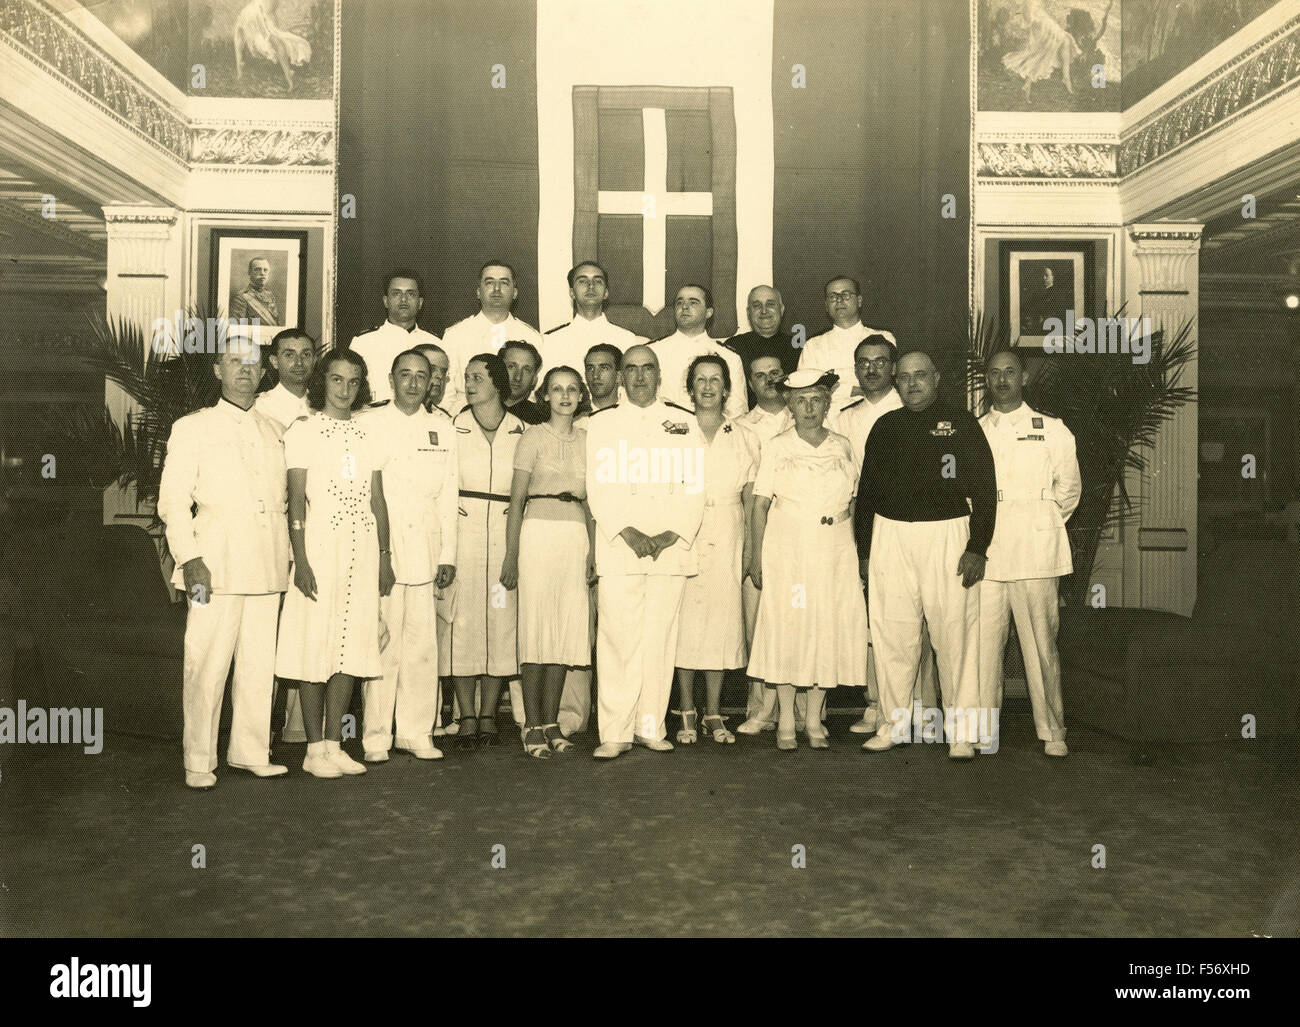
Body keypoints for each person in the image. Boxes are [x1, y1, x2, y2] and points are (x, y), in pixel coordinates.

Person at [158, 335, 290, 788]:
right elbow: (173, 503)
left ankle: (250, 751)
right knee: (206, 661)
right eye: (234, 362)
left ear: (262, 371)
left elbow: (284, 503)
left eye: (252, 363)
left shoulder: (275, 429)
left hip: (268, 564)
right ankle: (198, 759)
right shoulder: (193, 427)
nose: (244, 370)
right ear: (218, 370)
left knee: (259, 664)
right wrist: (190, 559)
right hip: (212, 562)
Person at [854, 351, 997, 759]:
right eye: (903, 377)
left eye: (920, 375)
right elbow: (866, 494)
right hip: (891, 536)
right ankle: (892, 724)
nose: (911, 383)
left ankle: (962, 733)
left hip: (947, 535)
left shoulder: (963, 424)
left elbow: (986, 489)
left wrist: (977, 547)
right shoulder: (885, 426)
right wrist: (865, 552)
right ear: (895, 383)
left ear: (936, 378)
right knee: (892, 633)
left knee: (955, 635)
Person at [275, 348, 395, 778]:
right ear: (322, 382)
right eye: (337, 380)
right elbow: (296, 503)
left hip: (361, 547)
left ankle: (334, 744)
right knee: (316, 644)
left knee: (351, 643)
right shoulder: (304, 430)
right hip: (320, 545)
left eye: (354, 381)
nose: (345, 389)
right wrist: (301, 559)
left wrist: (384, 556)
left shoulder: (369, 434)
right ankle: (312, 749)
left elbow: (377, 501)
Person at [585, 345, 707, 760]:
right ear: (620, 376)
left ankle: (650, 725)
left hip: (669, 548)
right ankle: (615, 731)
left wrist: (671, 533)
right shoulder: (601, 424)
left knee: (660, 638)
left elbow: (694, 483)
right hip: (621, 546)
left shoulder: (684, 422)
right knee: (618, 638)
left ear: (659, 375)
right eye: (631, 369)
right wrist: (629, 533)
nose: (639, 377)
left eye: (647, 369)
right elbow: (598, 486)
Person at [748, 369, 868, 750]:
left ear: (827, 403)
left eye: (817, 399)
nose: (809, 407)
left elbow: (854, 501)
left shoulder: (844, 445)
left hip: (834, 550)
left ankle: (814, 719)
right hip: (790, 551)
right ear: (790, 405)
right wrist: (756, 556)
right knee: (791, 626)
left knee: (825, 628)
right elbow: (759, 504)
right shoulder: (777, 446)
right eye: (801, 400)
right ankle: (786, 718)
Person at [829, 335, 939, 737]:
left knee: (920, 617)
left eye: (879, 362)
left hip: (909, 519)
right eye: (863, 362)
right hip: (862, 515)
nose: (871, 369)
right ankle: (877, 704)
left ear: (893, 368)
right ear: (855, 369)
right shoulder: (844, 416)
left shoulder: (909, 407)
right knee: (877, 616)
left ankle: (925, 707)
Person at [358, 349, 459, 763]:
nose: (415, 383)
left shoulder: (443, 428)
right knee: (383, 644)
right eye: (406, 375)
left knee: (421, 647)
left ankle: (416, 732)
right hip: (380, 547)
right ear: (391, 378)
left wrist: (448, 553)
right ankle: (376, 735)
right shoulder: (368, 423)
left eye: (423, 375)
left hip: (425, 549)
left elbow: (449, 494)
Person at [978, 350, 1080, 757]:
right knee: (983, 644)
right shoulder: (975, 429)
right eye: (994, 373)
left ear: (1023, 378)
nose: (1002, 379)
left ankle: (1053, 731)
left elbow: (1068, 491)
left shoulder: (1052, 429)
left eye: (1010, 372)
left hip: (1037, 548)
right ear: (986, 380)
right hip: (987, 548)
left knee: (1041, 644)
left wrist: (1041, 519)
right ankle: (983, 731)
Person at [501, 366, 595, 758]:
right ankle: (532, 724)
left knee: (563, 633)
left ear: (580, 397)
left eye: (572, 389)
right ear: (546, 396)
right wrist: (511, 554)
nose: (565, 396)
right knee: (537, 630)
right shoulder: (532, 437)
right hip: (537, 534)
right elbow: (516, 500)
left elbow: (592, 502)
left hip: (574, 538)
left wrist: (594, 550)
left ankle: (553, 721)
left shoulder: (591, 440)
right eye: (557, 389)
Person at [438, 353, 526, 748]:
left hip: (505, 532)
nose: (469, 383)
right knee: (462, 623)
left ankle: (489, 713)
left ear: (497, 382)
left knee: (499, 618)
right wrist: (447, 552)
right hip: (463, 532)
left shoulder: (521, 430)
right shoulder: (451, 427)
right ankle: (467, 714)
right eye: (467, 377)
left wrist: (513, 552)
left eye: (477, 377)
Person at [673, 355, 758, 744]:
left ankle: (713, 712)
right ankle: (686, 711)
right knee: (685, 621)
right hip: (683, 531)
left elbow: (750, 496)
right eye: (700, 380)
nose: (707, 387)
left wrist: (750, 551)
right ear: (689, 388)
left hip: (727, 529)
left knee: (722, 622)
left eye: (715, 380)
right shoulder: (672, 432)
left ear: (727, 388)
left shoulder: (744, 436)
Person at [254, 328, 316, 745]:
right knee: (269, 636)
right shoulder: (260, 409)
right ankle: (260, 732)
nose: (298, 362)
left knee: (308, 631)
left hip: (321, 532)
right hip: (276, 532)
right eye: (288, 354)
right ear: (273, 362)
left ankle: (298, 728)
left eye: (306, 354)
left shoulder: (326, 404)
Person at [734, 354, 799, 736]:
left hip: (800, 538)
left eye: (776, 373)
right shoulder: (740, 427)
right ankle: (760, 709)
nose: (770, 380)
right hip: (757, 535)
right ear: (750, 384)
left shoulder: (808, 417)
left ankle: (807, 710)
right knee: (756, 627)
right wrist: (750, 549)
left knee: (799, 618)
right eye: (760, 375)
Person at [441, 262, 544, 415]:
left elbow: (536, 392)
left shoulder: (531, 337)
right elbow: (446, 395)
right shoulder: (455, 335)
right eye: (489, 282)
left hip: (518, 418)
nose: (496, 289)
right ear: (478, 291)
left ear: (515, 293)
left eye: (504, 282)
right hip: (466, 418)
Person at [650, 284, 747, 419]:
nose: (684, 307)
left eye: (693, 302)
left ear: (708, 312)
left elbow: (737, 412)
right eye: (679, 302)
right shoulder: (653, 352)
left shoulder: (729, 357)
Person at [797, 276, 896, 407]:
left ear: (859, 300)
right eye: (833, 296)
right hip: (829, 418)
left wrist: (837, 387)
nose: (839, 300)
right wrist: (855, 390)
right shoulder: (813, 345)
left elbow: (886, 382)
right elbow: (808, 391)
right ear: (826, 306)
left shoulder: (883, 337)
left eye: (846, 295)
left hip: (878, 410)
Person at [350, 271, 443, 406]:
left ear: (420, 302)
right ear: (386, 301)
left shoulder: (435, 342)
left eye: (410, 294)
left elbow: (446, 394)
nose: (403, 299)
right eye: (396, 293)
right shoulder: (363, 343)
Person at [543, 261, 642, 383]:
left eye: (598, 281)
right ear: (572, 293)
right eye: (583, 281)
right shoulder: (551, 341)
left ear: (606, 293)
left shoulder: (626, 339)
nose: (591, 285)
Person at [725, 285, 800, 408]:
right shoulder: (733, 347)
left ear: (781, 309)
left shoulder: (798, 347)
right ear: (749, 313)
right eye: (757, 305)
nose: (764, 311)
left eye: (770, 304)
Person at [1002, 0, 1081, 102]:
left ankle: (1029, 84)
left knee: (1043, 53)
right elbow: (1023, 10)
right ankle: (1066, 78)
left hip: (1040, 16)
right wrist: (1028, 16)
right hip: (1037, 19)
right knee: (1062, 42)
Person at [234, 0, 311, 91]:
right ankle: (240, 74)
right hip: (255, 14)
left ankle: (289, 78)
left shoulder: (268, 7)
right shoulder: (255, 12)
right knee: (274, 42)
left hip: (259, 15)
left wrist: (273, 30)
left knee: (277, 41)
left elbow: (272, 15)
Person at [501, 340, 548, 424]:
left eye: (526, 370)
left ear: (534, 380)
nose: (518, 377)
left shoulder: (545, 423)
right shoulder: (472, 413)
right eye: (511, 367)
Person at [229, 256, 280, 325]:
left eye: (265, 270)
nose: (262, 273)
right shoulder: (240, 297)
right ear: (249, 272)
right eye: (257, 269)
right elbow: (237, 328)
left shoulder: (270, 295)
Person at [581, 343, 622, 416]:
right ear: (585, 375)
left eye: (604, 368)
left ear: (619, 376)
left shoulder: (634, 415)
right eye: (590, 368)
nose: (595, 375)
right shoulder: (575, 421)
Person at [414, 342, 453, 416]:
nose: (440, 376)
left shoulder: (445, 420)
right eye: (432, 369)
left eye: (444, 371)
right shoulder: (387, 414)